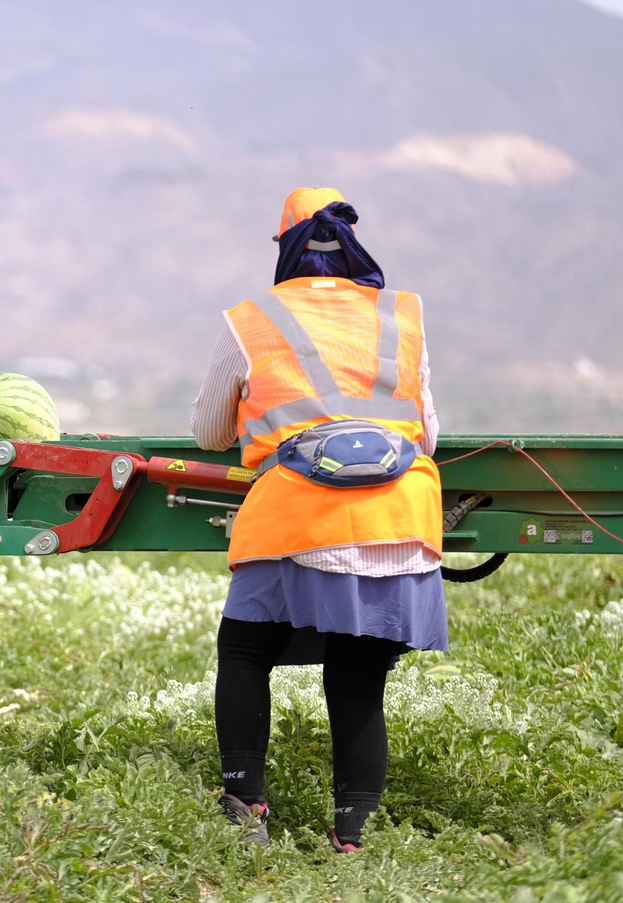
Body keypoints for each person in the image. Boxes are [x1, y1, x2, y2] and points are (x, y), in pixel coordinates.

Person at [190, 188, 445, 852]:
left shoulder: (252, 319)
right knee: (358, 677)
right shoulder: (403, 313)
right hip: (399, 511)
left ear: (286, 247)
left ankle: (246, 810)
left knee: (245, 650)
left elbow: (208, 432)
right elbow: (430, 433)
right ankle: (351, 840)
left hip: (298, 510)